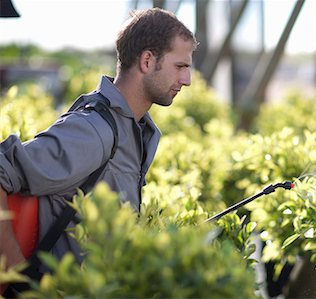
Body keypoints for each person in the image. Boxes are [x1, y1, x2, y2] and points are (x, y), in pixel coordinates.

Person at [0, 6, 197, 282]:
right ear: (148, 61)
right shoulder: (93, 130)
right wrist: (16, 281)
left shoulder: (139, 131)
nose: (187, 80)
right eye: (181, 66)